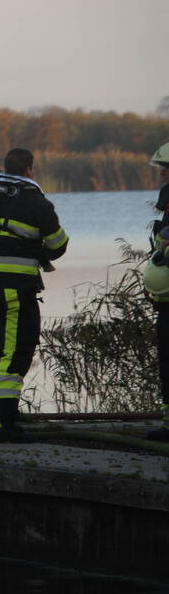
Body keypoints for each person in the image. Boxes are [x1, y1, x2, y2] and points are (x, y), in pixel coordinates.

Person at [0, 148, 68, 443]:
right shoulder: (37, 202)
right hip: (16, 289)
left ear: (2, 169)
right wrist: (38, 251)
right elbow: (59, 244)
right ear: (30, 169)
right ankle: (4, 423)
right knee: (16, 351)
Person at [143, 143, 169, 441]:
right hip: (164, 301)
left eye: (166, 167)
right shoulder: (165, 216)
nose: (162, 172)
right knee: (166, 363)